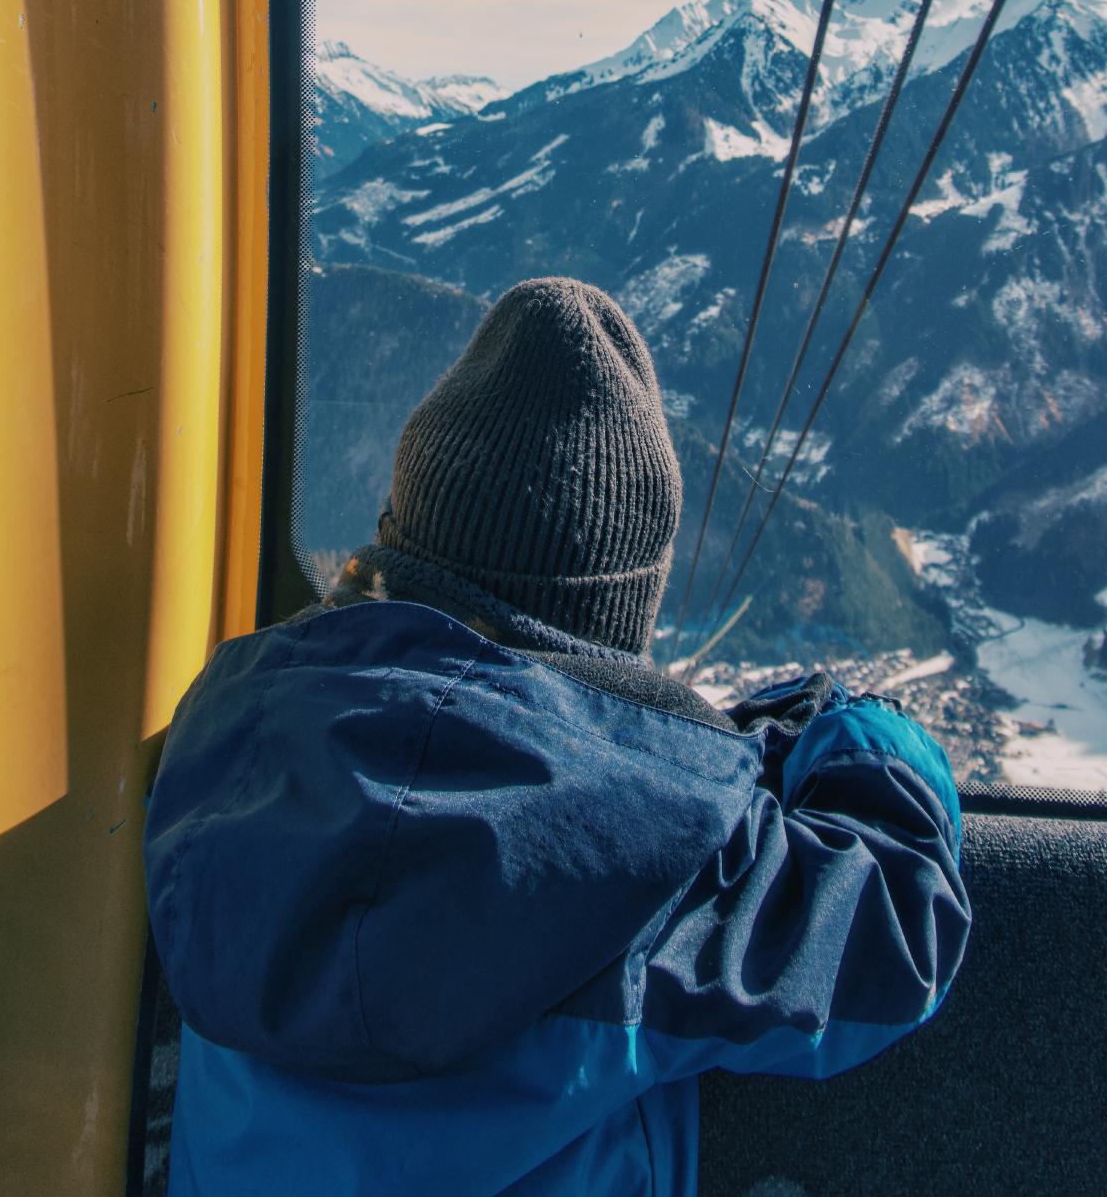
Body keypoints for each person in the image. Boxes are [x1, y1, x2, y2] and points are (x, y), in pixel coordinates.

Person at [145, 276, 970, 1196]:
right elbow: (896, 934)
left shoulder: (215, 744)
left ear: (397, 535)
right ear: (611, 623)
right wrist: (862, 731)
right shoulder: (658, 852)